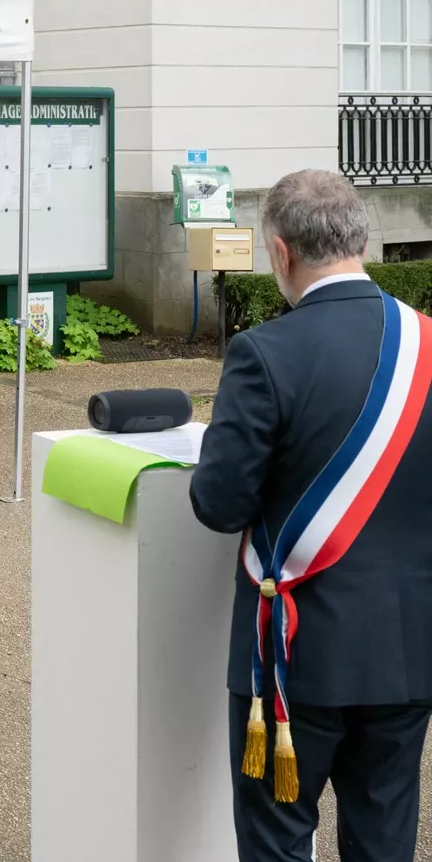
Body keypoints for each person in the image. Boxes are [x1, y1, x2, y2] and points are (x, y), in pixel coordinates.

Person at [190, 169, 432, 862]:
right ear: (363, 240)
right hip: (407, 650)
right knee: (384, 843)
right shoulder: (424, 343)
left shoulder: (263, 352)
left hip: (293, 658)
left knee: (277, 843)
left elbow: (219, 504)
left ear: (279, 251)